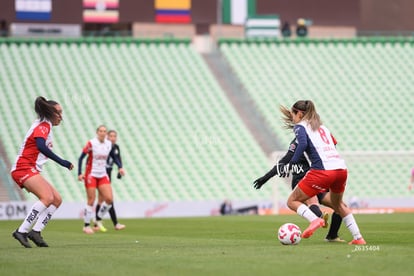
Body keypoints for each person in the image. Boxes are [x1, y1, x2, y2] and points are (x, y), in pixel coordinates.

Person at [280, 100, 365, 244]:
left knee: (292, 201)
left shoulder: (300, 127)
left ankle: (314, 220)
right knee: (339, 205)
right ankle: (358, 238)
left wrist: (292, 162)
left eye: (293, 114)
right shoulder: (323, 128)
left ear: (299, 114)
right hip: (341, 170)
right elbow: (334, 144)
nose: (293, 118)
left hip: (322, 171)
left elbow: (303, 144)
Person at [253, 137, 345, 242]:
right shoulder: (297, 143)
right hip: (302, 183)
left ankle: (332, 236)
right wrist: (265, 178)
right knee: (312, 201)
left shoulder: (318, 142)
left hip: (319, 181)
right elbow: (284, 161)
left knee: (339, 206)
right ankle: (319, 216)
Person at [11, 96, 74, 248]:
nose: (61, 116)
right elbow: (41, 146)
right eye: (58, 112)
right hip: (23, 167)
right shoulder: (44, 125)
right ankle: (22, 230)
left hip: (29, 168)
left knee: (57, 199)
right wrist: (62, 162)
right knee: (47, 197)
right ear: (49, 113)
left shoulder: (45, 125)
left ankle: (36, 232)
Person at [78, 125, 125, 234]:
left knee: (109, 199)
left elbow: (114, 156)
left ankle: (98, 217)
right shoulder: (91, 143)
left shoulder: (108, 144)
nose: (103, 133)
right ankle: (86, 225)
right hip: (91, 174)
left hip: (102, 174)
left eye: (104, 131)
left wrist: (120, 167)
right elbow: (81, 157)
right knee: (91, 200)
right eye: (101, 131)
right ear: (97, 132)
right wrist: (80, 173)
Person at [94, 130, 125, 231]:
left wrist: (120, 169)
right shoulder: (104, 146)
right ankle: (115, 223)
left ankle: (96, 223)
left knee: (102, 199)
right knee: (109, 199)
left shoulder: (116, 147)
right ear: (107, 137)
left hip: (109, 174)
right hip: (101, 175)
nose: (112, 138)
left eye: (114, 136)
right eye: (110, 136)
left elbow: (118, 158)